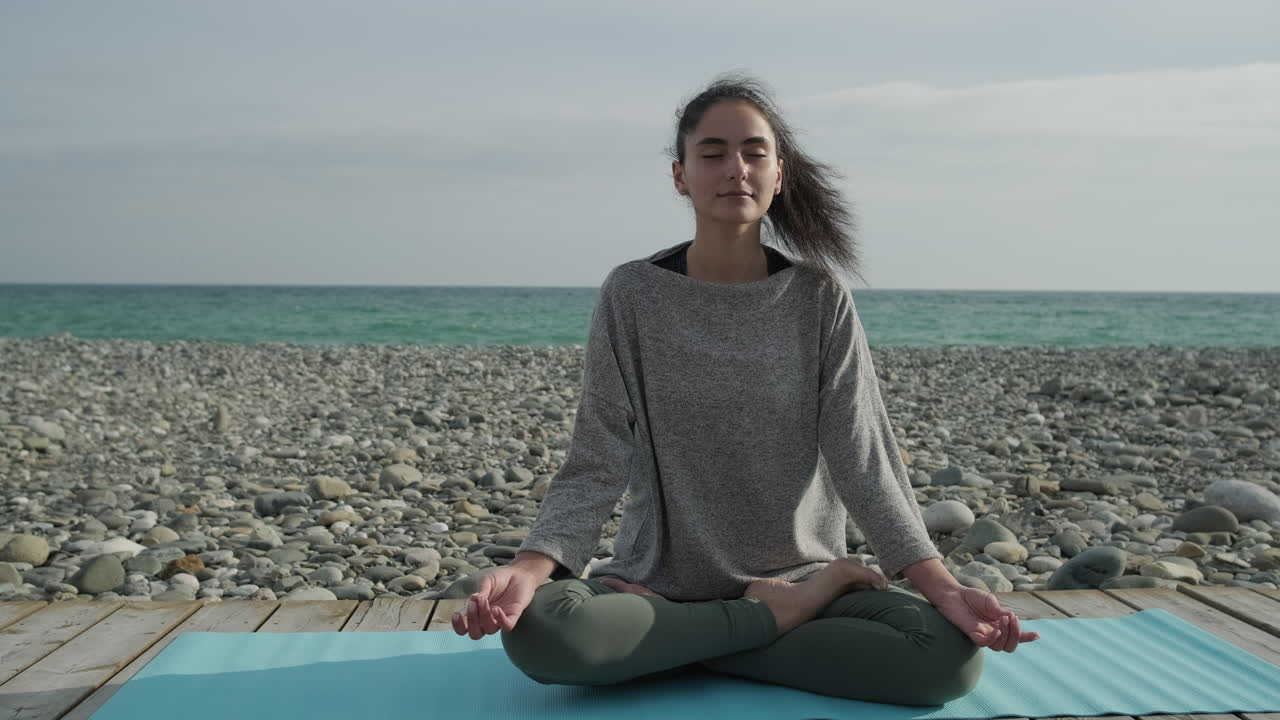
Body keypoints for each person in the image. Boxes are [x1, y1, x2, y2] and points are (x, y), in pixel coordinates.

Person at [451, 71, 1040, 706]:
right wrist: (530, 566)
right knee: (543, 633)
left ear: (778, 174)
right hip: (658, 588)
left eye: (754, 153)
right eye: (713, 153)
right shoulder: (633, 295)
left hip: (803, 579)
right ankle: (765, 623)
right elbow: (597, 459)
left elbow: (864, 460)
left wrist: (943, 588)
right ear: (680, 176)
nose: (736, 168)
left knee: (947, 660)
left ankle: (689, 644)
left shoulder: (819, 298)